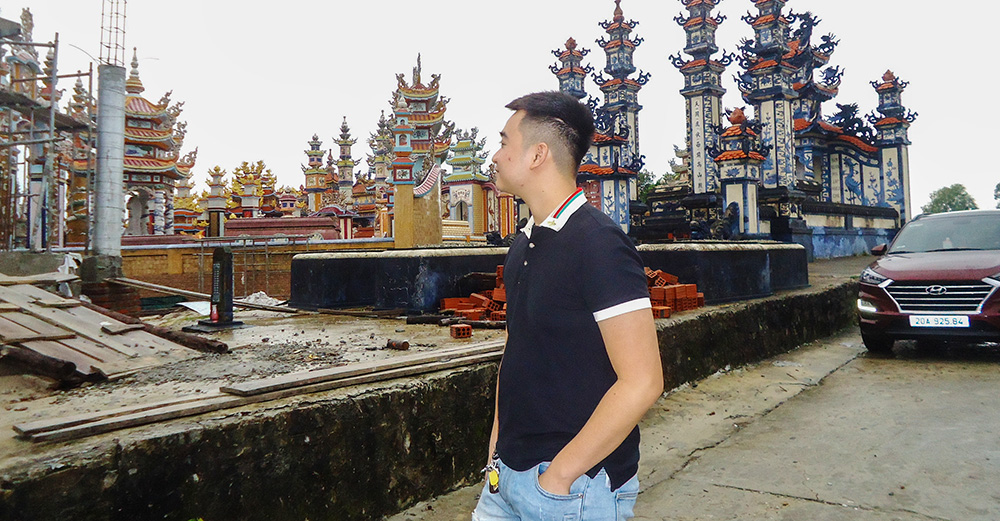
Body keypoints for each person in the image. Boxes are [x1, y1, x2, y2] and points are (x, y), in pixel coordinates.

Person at [472, 91, 663, 521]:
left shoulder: (599, 243)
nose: (496, 155)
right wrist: (494, 454)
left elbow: (643, 381)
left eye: (505, 142)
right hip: (505, 479)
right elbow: (515, 352)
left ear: (538, 155)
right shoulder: (523, 243)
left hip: (571, 490)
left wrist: (559, 477)